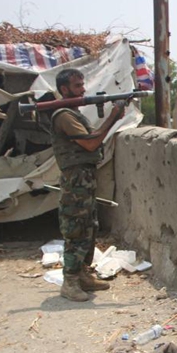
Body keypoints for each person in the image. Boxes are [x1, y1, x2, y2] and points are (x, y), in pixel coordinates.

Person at [52, 69, 126, 302]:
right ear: (64, 89)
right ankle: (70, 281)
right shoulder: (64, 116)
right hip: (75, 181)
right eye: (77, 86)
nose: (83, 89)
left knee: (88, 227)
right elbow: (91, 143)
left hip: (84, 180)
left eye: (82, 84)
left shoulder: (75, 114)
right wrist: (112, 117)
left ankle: (82, 274)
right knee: (76, 229)